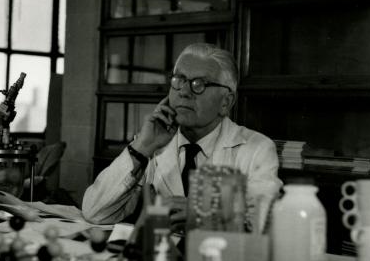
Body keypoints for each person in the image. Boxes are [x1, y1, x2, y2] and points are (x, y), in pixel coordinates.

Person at [82, 43, 282, 225]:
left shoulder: (257, 149)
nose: (184, 92)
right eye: (179, 80)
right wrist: (141, 148)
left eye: (199, 84)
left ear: (226, 102)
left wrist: (204, 211)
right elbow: (95, 212)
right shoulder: (152, 142)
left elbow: (265, 222)